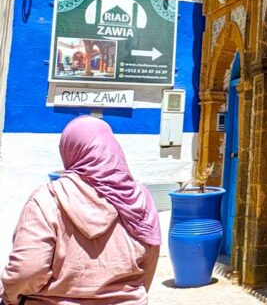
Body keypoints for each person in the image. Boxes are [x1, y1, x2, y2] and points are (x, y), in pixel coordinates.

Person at [1, 116, 161, 304]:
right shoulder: (139, 200)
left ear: (70, 151)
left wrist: (10, 298)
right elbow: (148, 265)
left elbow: (27, 270)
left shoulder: (48, 199)